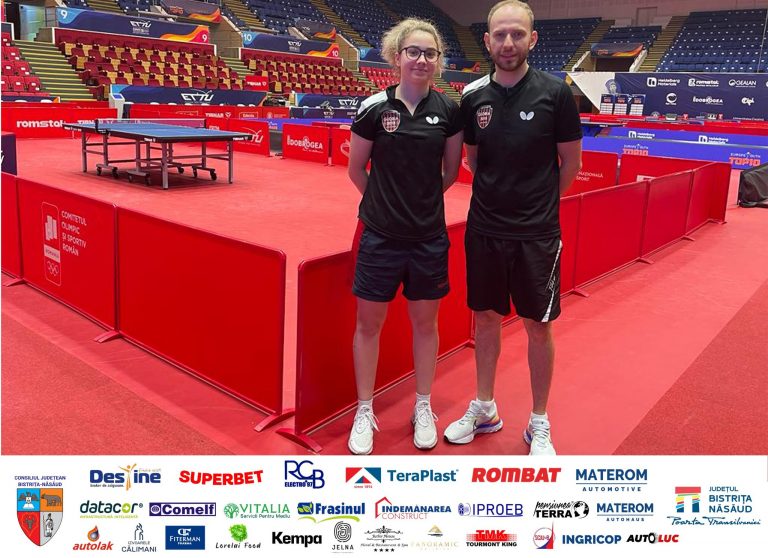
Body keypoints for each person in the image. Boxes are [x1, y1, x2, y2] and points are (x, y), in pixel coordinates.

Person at [444, 0, 582, 455]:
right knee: (485, 319)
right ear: (487, 41)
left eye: (517, 34)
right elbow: (474, 161)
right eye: (500, 35)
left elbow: (570, 164)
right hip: (484, 229)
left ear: (532, 39)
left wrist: (537, 206)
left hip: (536, 235)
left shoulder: (555, 93)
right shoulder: (473, 97)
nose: (508, 43)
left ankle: (538, 421)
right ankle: (485, 408)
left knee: (538, 325)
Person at [346, 17, 464, 455]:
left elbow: (450, 173)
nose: (421, 59)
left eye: (429, 53)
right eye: (413, 51)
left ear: (438, 61)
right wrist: (385, 205)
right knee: (368, 325)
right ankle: (364, 410)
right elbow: (356, 170)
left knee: (425, 325)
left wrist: (419, 204)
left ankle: (423, 405)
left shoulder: (449, 111)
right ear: (397, 57)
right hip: (379, 237)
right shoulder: (374, 107)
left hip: (428, 238)